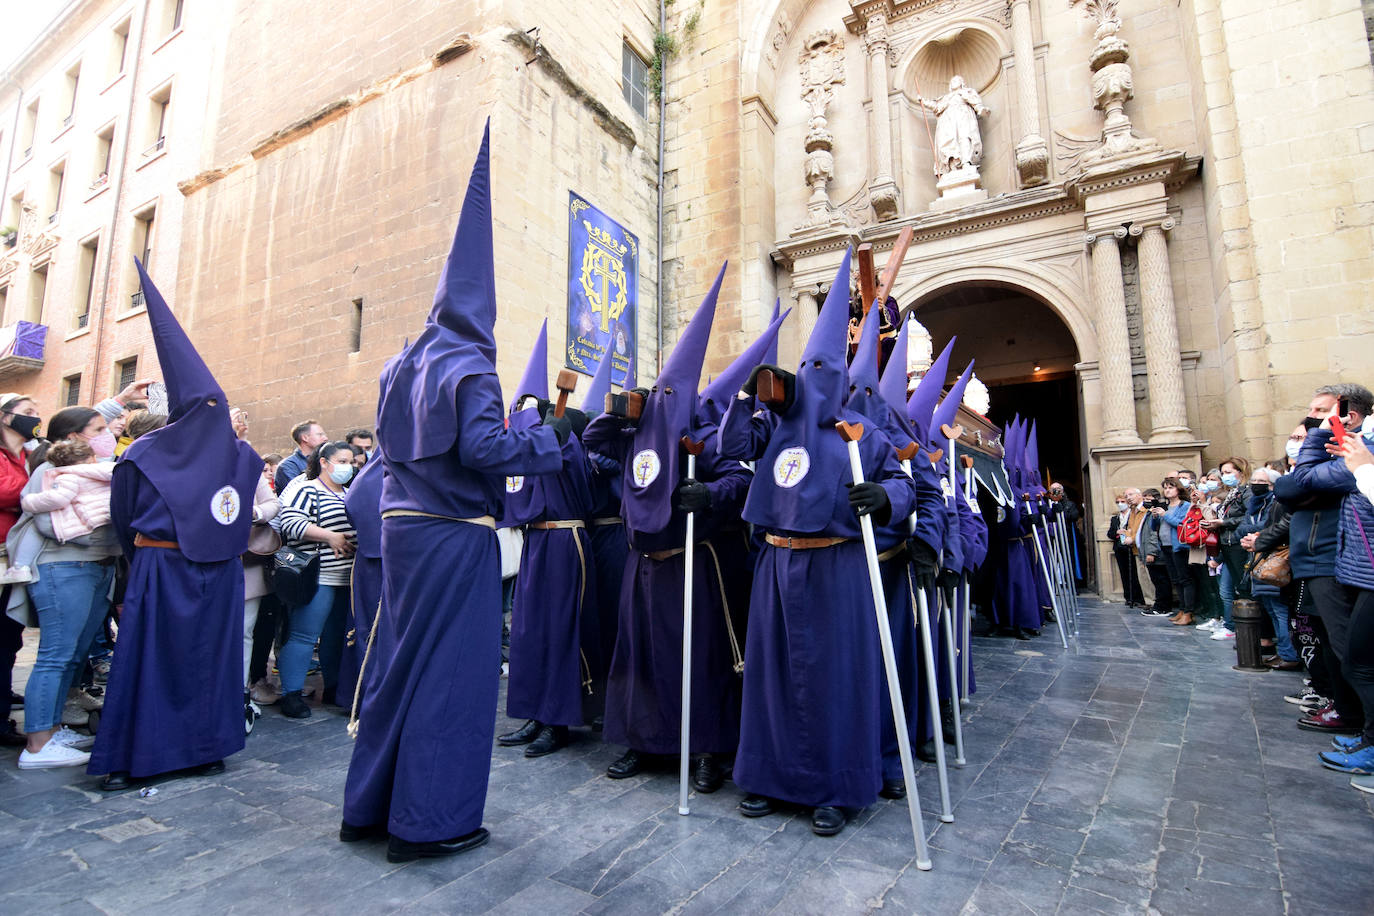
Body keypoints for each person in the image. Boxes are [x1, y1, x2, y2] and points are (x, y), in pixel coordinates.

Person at [341, 125, 566, 863]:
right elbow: (483, 449)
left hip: (401, 525)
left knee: (399, 664)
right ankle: (430, 820)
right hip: (451, 533)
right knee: (455, 675)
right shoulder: (470, 362)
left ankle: (368, 810)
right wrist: (546, 437)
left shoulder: (400, 364)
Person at [719, 252, 916, 837]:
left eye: (828, 367)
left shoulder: (863, 429)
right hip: (777, 564)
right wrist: (745, 391)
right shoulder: (776, 425)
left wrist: (884, 500)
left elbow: (904, 487)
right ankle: (768, 776)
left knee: (835, 679)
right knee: (773, 675)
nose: (817, 376)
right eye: (810, 365)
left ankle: (836, 785)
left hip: (836, 570)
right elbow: (731, 446)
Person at [87, 258, 263, 791]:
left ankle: (207, 746)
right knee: (150, 661)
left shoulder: (241, 454)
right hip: (164, 567)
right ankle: (136, 755)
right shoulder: (144, 451)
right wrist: (148, 558)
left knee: (212, 661)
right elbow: (124, 517)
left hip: (211, 571)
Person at [582, 267, 752, 792]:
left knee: (698, 657)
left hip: (692, 564)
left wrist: (708, 493)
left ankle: (706, 747)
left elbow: (740, 479)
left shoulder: (705, 436)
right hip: (643, 564)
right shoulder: (637, 433)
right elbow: (594, 439)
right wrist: (626, 412)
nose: (664, 400)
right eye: (659, 392)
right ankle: (642, 740)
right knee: (639, 656)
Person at [12, 414, 122, 769]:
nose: (108, 435)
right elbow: (45, 519)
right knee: (55, 656)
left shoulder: (100, 470)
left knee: (73, 656)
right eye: (99, 430)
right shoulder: (50, 468)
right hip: (65, 566)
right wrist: (92, 534)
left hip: (95, 567)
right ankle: (38, 745)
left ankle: (51, 728)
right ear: (75, 436)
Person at [1279, 384, 1372, 738]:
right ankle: (1347, 709)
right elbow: (1288, 491)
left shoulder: (1356, 451)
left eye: (1320, 412)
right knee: (1332, 641)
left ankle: (1357, 719)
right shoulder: (1333, 452)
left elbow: (1297, 482)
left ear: (1350, 414)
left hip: (1336, 559)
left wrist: (1315, 444)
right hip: (1321, 557)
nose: (1311, 420)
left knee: (1351, 649)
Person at [277, 442, 357, 717]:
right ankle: (291, 693)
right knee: (304, 635)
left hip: (345, 577)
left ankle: (334, 688)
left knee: (337, 638)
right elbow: (289, 521)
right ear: (324, 462)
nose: (348, 466)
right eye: (342, 460)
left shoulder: (349, 492)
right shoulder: (307, 488)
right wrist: (330, 536)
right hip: (319, 575)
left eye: (351, 461)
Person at [0, 393, 40, 749]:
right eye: (28, 413)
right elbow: (5, 490)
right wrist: (41, 486)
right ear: (5, 418)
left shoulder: (27, 456)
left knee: (9, 635)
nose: (36, 417)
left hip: (15, 559)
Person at [1238, 467, 1298, 669]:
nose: (1255, 484)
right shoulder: (1267, 504)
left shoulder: (1280, 504)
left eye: (1261, 481)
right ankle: (1283, 652)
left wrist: (1259, 539)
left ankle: (1288, 654)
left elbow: (1277, 529)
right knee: (1273, 611)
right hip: (1265, 557)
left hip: (1275, 560)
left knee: (1280, 612)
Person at [1207, 456, 1253, 640]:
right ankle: (1231, 624)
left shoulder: (1247, 493)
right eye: (1223, 473)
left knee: (1241, 588)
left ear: (1241, 472)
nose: (1224, 476)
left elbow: (1250, 517)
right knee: (1226, 589)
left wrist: (1223, 522)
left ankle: (1241, 628)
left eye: (1228, 472)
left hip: (1238, 545)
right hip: (1227, 545)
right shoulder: (1233, 493)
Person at [1155, 478, 1196, 626]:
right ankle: (1182, 609)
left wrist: (1164, 515)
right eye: (1165, 488)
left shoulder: (1184, 506)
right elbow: (1156, 527)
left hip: (1179, 547)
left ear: (1178, 489)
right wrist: (1155, 517)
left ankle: (1188, 612)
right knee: (1175, 580)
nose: (1167, 490)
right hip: (1165, 546)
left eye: (1170, 487)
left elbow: (1181, 524)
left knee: (1185, 579)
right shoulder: (1164, 507)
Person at [1138, 487, 1173, 618]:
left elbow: (1154, 533)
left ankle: (1163, 607)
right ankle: (1159, 605)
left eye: (1149, 498)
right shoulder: (1148, 512)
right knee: (1157, 580)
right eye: (1144, 498)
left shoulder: (1158, 512)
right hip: (1149, 551)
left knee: (1161, 580)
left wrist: (1151, 552)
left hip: (1157, 553)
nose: (1146, 501)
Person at [1107, 492, 1143, 607]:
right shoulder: (1115, 518)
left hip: (1131, 547)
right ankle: (1128, 597)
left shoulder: (1133, 515)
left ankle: (1138, 598)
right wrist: (1117, 532)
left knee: (1135, 574)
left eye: (1122, 502)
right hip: (1119, 547)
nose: (1120, 504)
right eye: (1118, 502)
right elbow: (1110, 533)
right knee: (1124, 574)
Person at [276, 420, 328, 493]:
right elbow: (298, 493)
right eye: (320, 435)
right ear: (305, 438)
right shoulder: (288, 466)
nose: (325, 438)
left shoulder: (327, 460)